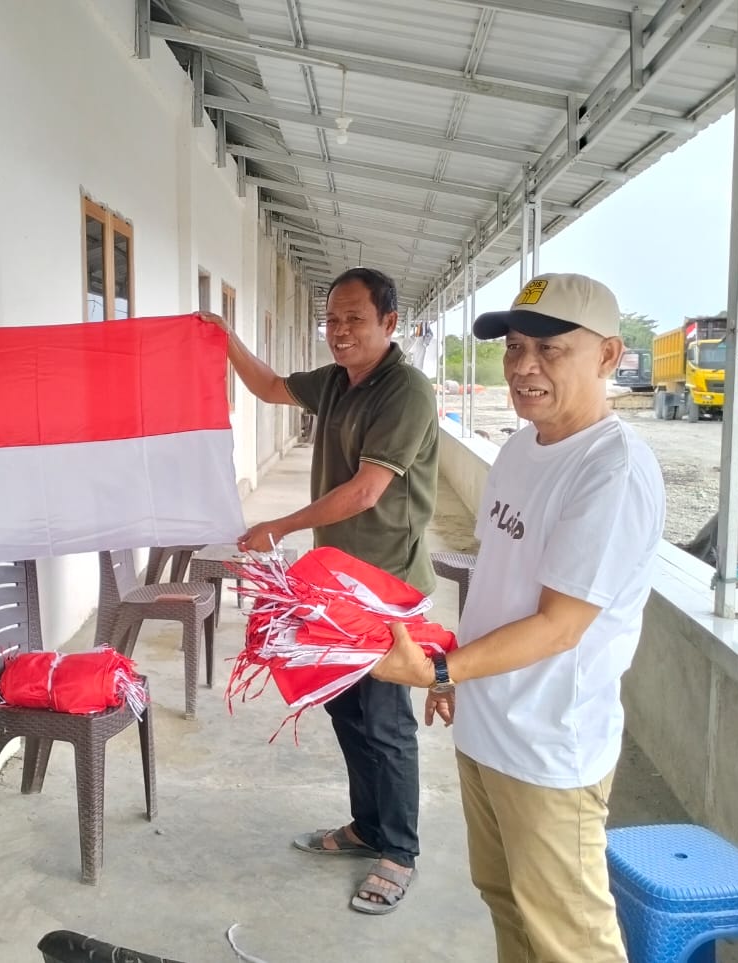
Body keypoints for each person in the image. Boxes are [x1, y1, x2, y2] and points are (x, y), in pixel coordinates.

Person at [371, 273, 665, 961]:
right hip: (486, 729)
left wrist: (442, 668)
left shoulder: (611, 471)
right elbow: (500, 580)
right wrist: (454, 672)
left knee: (570, 940)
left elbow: (560, 625)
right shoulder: (519, 449)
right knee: (506, 903)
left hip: (548, 748)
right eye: (514, 347)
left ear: (608, 355)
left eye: (549, 349)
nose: (524, 366)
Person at [200, 266, 439, 915]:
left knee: (386, 721)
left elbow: (365, 491)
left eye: (355, 318)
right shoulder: (335, 381)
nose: (340, 331)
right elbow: (269, 386)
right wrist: (223, 336)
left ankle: (399, 851)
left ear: (389, 322)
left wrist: (277, 526)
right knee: (345, 709)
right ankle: (368, 826)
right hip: (337, 585)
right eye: (332, 319)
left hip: (387, 590)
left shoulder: (407, 391)